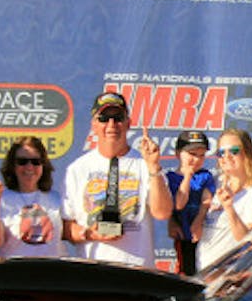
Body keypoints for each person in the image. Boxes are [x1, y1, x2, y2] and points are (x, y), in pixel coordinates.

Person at [61, 91, 173, 266]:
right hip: (93, 273)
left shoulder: (145, 164)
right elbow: (67, 228)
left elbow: (163, 212)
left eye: (118, 117)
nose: (111, 125)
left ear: (128, 123)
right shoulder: (77, 169)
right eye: (104, 118)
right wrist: (91, 234)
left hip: (136, 272)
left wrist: (154, 168)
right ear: (94, 124)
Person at [197, 129, 252, 268]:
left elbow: (250, 244)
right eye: (221, 152)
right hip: (204, 272)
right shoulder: (213, 183)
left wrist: (229, 208)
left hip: (232, 277)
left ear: (248, 154)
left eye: (233, 151)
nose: (226, 156)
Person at [0, 136, 66, 258]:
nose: (29, 167)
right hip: (14, 273)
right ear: (13, 166)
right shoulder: (1, 199)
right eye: (22, 161)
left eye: (35, 161)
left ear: (43, 165)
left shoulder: (57, 199)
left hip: (50, 273)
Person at [166, 130, 216, 275]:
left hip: (203, 231)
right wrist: (187, 177)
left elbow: (206, 201)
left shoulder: (205, 175)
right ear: (178, 154)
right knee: (186, 270)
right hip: (183, 233)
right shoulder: (170, 178)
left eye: (201, 155)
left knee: (205, 269)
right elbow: (179, 204)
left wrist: (199, 222)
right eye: (192, 154)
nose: (197, 160)